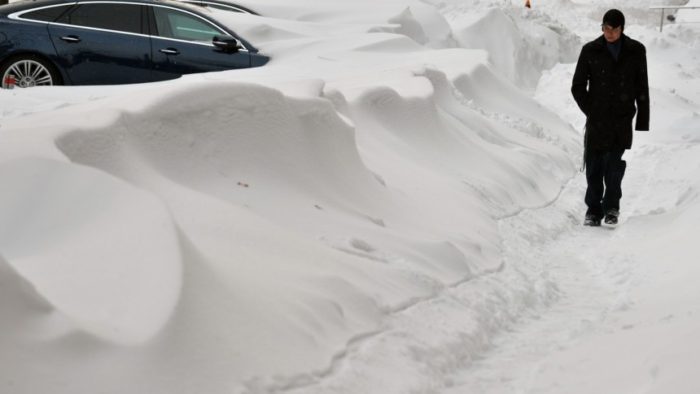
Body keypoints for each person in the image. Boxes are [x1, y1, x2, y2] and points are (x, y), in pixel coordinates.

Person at [571, 9, 650, 226]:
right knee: (594, 167)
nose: (609, 33)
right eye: (605, 28)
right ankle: (593, 210)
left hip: (621, 120)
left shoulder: (635, 51)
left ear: (621, 28)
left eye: (613, 29)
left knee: (613, 166)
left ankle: (612, 208)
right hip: (597, 121)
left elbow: (641, 86)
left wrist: (642, 119)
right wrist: (591, 109)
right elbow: (578, 86)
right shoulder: (590, 50)